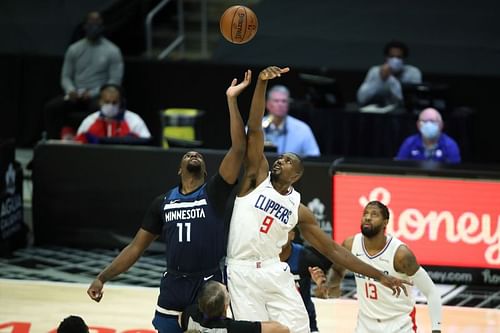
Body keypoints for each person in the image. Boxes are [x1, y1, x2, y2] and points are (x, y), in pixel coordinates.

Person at [226, 66, 410, 333]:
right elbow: (254, 129)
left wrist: (380, 275)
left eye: (288, 160)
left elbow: (334, 251)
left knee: (300, 327)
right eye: (280, 158)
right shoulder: (256, 178)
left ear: (297, 175)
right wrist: (262, 85)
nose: (280, 160)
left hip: (273, 270)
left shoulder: (298, 210)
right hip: (241, 270)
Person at [87, 69, 252, 333]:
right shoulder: (163, 202)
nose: (193, 154)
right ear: (179, 169)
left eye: (198, 154)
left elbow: (239, 149)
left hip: (208, 282)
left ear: (207, 172)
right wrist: (102, 277)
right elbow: (135, 248)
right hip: (174, 283)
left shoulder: (215, 192)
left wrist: (232, 100)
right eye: (187, 155)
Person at [312, 201, 442, 333]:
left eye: (374, 214)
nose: (368, 217)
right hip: (365, 325)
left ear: (385, 223)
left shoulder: (400, 255)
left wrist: (436, 330)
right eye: (365, 214)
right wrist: (327, 286)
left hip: (399, 325)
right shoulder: (351, 245)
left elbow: (431, 292)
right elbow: (337, 270)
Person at [44, 11, 124, 140]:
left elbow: (114, 81)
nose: (94, 27)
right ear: (85, 26)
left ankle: (93, 143)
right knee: (52, 107)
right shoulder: (74, 49)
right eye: (91, 23)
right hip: (75, 95)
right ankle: (53, 143)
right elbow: (66, 76)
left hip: (98, 96)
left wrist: (93, 93)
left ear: (102, 26)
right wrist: (71, 91)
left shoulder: (113, 51)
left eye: (97, 23)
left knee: (99, 107)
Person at [181, 281, 290, 333]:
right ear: (226, 306)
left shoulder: (190, 313)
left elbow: (180, 319)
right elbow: (282, 329)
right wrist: (257, 325)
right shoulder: (232, 328)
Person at [279, 228, 332, 333]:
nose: (280, 235)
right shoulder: (263, 257)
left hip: (304, 321)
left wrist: (320, 288)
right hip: (275, 320)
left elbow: (324, 293)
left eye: (284, 231)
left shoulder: (305, 256)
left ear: (292, 235)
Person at [74, 84, 152, 144]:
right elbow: (78, 145)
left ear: (120, 103)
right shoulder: (90, 121)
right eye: (107, 102)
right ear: (100, 102)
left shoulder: (134, 120)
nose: (110, 106)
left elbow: (146, 142)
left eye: (114, 103)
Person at [357, 40, 422, 107]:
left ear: (404, 59)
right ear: (386, 58)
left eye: (399, 57)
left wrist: (389, 79)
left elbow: (408, 100)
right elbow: (361, 98)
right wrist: (380, 79)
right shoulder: (375, 71)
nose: (395, 60)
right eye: (391, 56)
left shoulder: (413, 72)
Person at [262, 85, 320, 157]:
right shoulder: (255, 126)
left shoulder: (303, 129)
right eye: (276, 101)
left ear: (288, 104)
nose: (280, 104)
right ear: (267, 104)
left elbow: (314, 158)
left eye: (284, 101)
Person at [395, 107, 461, 163]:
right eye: (424, 121)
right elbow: (399, 167)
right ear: (418, 125)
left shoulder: (450, 145)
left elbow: (455, 172)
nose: (428, 125)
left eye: (432, 121)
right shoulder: (409, 143)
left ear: (441, 125)